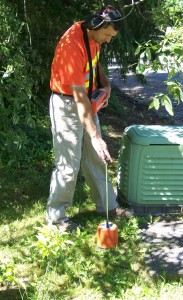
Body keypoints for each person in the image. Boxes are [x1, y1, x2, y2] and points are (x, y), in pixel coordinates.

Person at [46, 5, 134, 233]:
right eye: (107, 35)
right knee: (68, 164)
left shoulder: (94, 38)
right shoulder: (71, 46)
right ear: (96, 25)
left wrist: (105, 84)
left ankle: (108, 206)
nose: (108, 41)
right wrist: (95, 136)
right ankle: (56, 217)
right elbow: (78, 96)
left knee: (96, 158)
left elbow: (94, 64)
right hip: (67, 105)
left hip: (86, 102)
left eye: (111, 37)